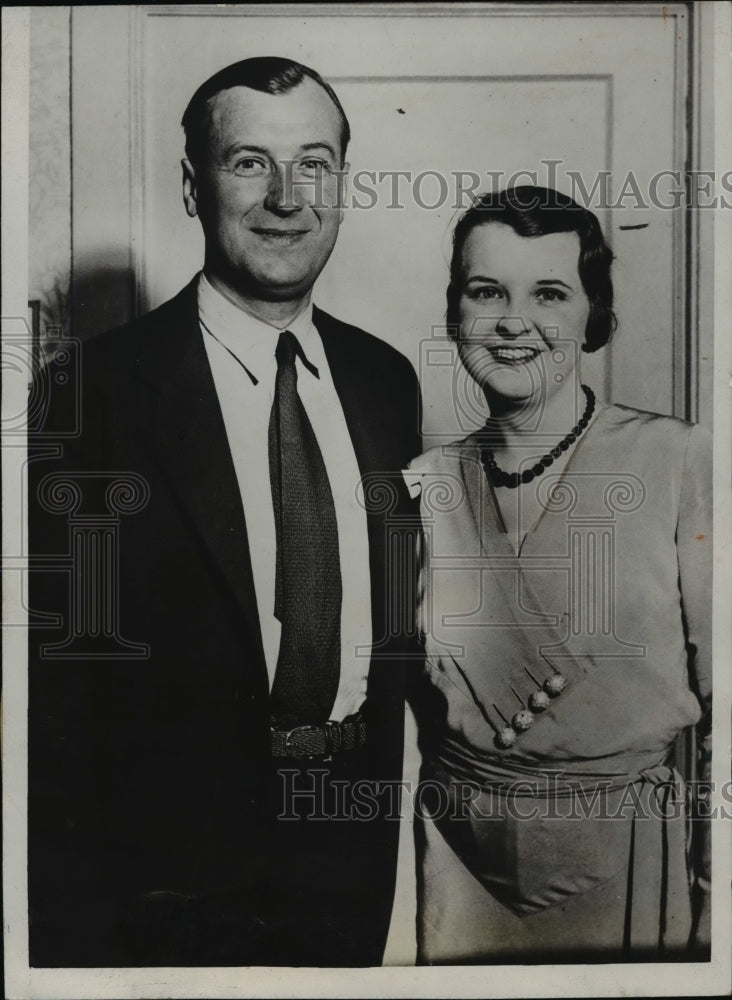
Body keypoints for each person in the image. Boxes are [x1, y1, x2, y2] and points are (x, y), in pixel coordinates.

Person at [28, 57, 421, 967]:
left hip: (351, 858)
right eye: (250, 162)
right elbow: (62, 684)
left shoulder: (384, 382)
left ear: (343, 185)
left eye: (313, 163)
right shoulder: (95, 391)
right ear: (192, 184)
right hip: (166, 879)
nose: (287, 197)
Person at [405, 186, 711, 963]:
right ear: (455, 314)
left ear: (592, 316)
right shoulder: (428, 482)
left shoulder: (680, 461)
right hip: (455, 867)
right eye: (486, 292)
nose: (513, 322)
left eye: (549, 293)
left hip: (626, 860)